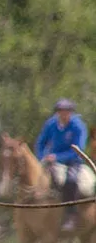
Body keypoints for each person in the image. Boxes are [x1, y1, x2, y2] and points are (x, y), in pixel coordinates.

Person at [35, 98, 88, 232]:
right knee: (38, 182)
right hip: (52, 162)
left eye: (66, 111)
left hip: (72, 162)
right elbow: (40, 143)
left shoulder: (78, 126)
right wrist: (42, 156)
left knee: (71, 181)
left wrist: (57, 157)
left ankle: (71, 216)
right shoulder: (51, 124)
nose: (63, 114)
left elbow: (78, 150)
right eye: (60, 111)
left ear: (71, 112)